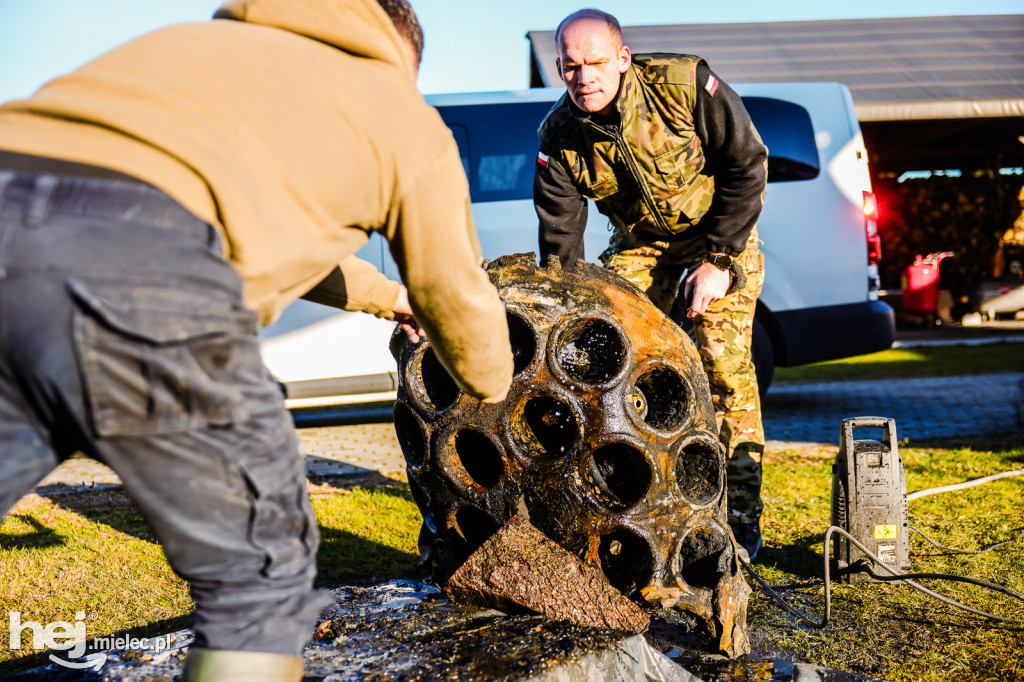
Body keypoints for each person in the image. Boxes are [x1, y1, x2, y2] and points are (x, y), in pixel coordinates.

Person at [0, 0, 513, 680]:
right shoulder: (395, 109)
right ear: (401, 52)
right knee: (260, 577)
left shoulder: (184, 48)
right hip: (146, 273)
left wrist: (389, 298)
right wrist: (497, 383)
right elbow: (458, 297)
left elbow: (251, 220)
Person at [534, 9, 768, 561]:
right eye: (570, 67)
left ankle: (739, 521)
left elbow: (747, 165)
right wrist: (565, 316)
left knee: (721, 368)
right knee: (602, 357)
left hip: (716, 234)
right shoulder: (560, 135)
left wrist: (718, 259)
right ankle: (633, 501)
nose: (583, 78)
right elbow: (560, 237)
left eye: (594, 63)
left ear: (622, 59)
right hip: (640, 245)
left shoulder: (682, 86)